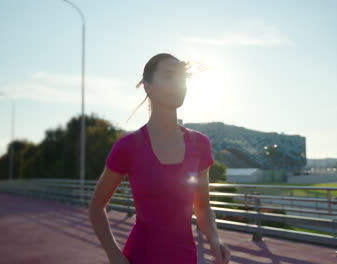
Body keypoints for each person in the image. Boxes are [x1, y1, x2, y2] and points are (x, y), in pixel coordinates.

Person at [89, 53, 231, 264]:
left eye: (182, 78)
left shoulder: (200, 144)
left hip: (185, 257)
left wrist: (214, 239)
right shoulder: (128, 147)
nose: (179, 84)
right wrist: (114, 255)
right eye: (168, 76)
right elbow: (96, 207)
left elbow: (202, 207)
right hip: (140, 256)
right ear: (148, 86)